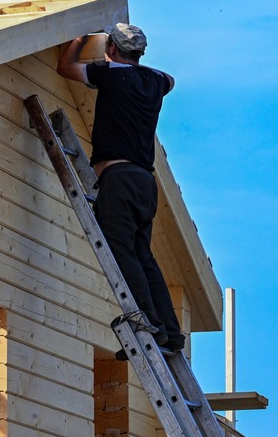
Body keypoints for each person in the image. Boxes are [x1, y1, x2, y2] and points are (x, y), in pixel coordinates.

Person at [55, 23, 185, 360]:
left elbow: (65, 67)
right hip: (144, 181)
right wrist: (131, 60)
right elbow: (169, 78)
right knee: (143, 255)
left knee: (121, 249)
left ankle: (149, 324)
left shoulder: (111, 75)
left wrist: (80, 37)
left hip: (119, 176)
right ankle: (170, 334)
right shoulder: (155, 81)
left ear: (111, 49)